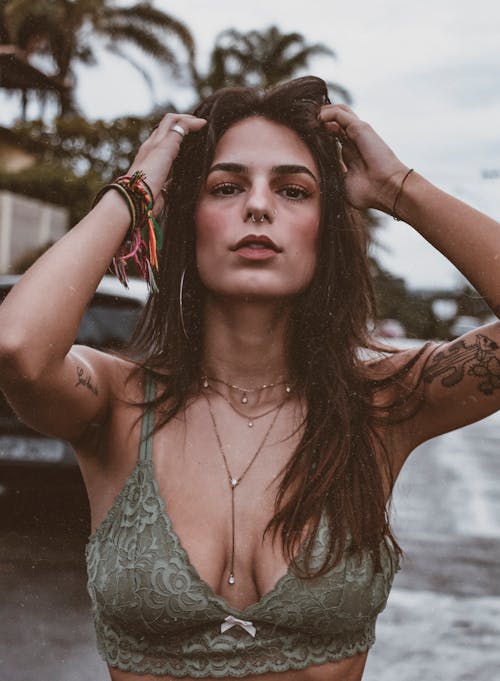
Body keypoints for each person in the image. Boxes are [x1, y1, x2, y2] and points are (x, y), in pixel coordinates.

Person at [0, 76, 498, 681]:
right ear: (188, 218)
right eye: (227, 187)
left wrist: (399, 189)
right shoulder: (117, 401)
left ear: (327, 227)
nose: (258, 206)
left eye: (293, 190)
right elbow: (17, 345)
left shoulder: (382, 402)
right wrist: (134, 193)